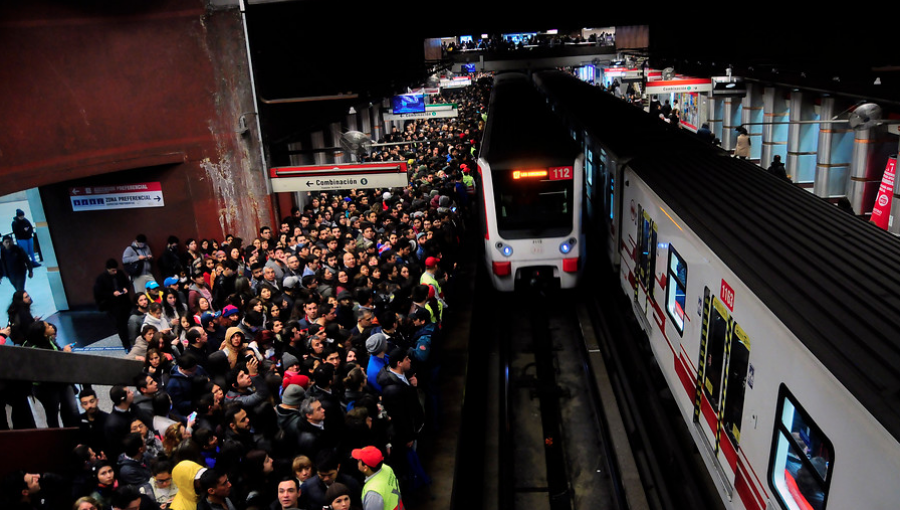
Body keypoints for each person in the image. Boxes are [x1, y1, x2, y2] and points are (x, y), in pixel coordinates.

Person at [94, 259, 133, 350]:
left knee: (128, 321)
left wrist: (126, 288)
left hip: (124, 302)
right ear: (108, 269)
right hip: (112, 305)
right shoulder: (101, 278)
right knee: (120, 325)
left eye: (115, 270)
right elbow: (99, 293)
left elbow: (127, 283)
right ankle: (126, 344)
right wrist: (112, 294)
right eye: (112, 270)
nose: (115, 272)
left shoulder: (120, 274)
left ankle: (130, 339)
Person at [353, 446, 403, 510]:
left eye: (359, 460)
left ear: (365, 468)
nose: (357, 461)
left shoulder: (373, 494)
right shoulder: (386, 468)